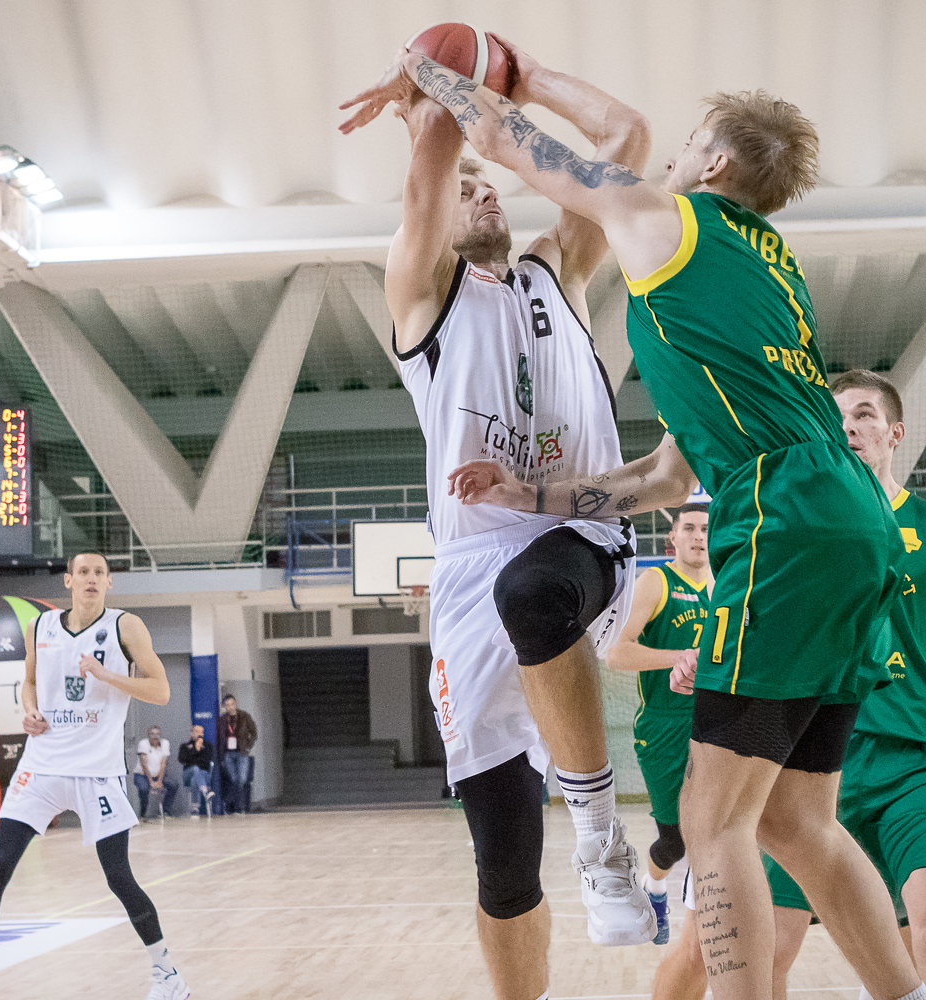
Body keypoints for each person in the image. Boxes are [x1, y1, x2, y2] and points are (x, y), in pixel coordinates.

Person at [349, 51, 926, 1000]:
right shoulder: (760, 268)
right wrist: (526, 495)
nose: (670, 162)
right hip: (837, 524)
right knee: (794, 823)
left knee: (712, 821)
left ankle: (596, 832)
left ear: (715, 167)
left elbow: (529, 136)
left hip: (760, 531)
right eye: (467, 190)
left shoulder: (645, 231)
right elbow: (665, 476)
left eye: (691, 147)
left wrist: (443, 71)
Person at [343, 35, 655, 1000]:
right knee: (505, 862)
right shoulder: (422, 295)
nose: (482, 193)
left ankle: (600, 837)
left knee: (536, 591)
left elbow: (628, 141)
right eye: (467, 188)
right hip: (469, 575)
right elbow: (431, 162)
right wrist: (430, 86)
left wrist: (515, 76)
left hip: (581, 532)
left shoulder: (559, 267)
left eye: (492, 185)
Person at [753, 370, 926, 1000]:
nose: (850, 427)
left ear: (895, 433)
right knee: (770, 947)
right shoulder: (799, 526)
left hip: (913, 759)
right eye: (837, 417)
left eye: (864, 414)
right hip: (812, 763)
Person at [0, 552, 189, 1000]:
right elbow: (30, 682)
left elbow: (162, 690)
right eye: (83, 572)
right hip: (41, 767)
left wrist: (107, 675)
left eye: (99, 573)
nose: (91, 579)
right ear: (68, 580)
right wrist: (29, 710)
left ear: (109, 582)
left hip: (97, 772)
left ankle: (168, 976)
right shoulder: (40, 626)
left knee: (119, 878)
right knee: (0, 865)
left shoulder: (126, 627)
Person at [605, 502, 715, 947]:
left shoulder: (725, 586)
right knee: (674, 842)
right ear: (673, 537)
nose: (698, 536)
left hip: (716, 724)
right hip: (664, 725)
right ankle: (653, 890)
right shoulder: (657, 582)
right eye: (689, 528)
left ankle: (708, 926)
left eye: (705, 529)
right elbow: (616, 653)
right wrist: (682, 658)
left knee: (718, 827)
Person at [216, 694, 257, 814]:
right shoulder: (222, 719)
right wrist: (220, 754)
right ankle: (234, 807)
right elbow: (219, 738)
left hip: (242, 751)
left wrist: (248, 745)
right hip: (228, 753)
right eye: (227, 705)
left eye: (232, 704)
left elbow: (254, 732)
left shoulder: (244, 716)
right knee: (234, 779)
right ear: (225, 707)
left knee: (242, 779)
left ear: (235, 703)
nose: (230, 707)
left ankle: (239, 807)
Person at [178, 723, 216, 817]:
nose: (199, 734)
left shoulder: (208, 746)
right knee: (195, 769)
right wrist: (195, 749)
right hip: (188, 774)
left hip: (204, 775)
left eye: (201, 732)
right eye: (196, 732)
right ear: (192, 733)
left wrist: (199, 750)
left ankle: (195, 808)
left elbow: (207, 761)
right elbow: (182, 760)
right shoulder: (185, 746)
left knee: (195, 779)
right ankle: (205, 792)